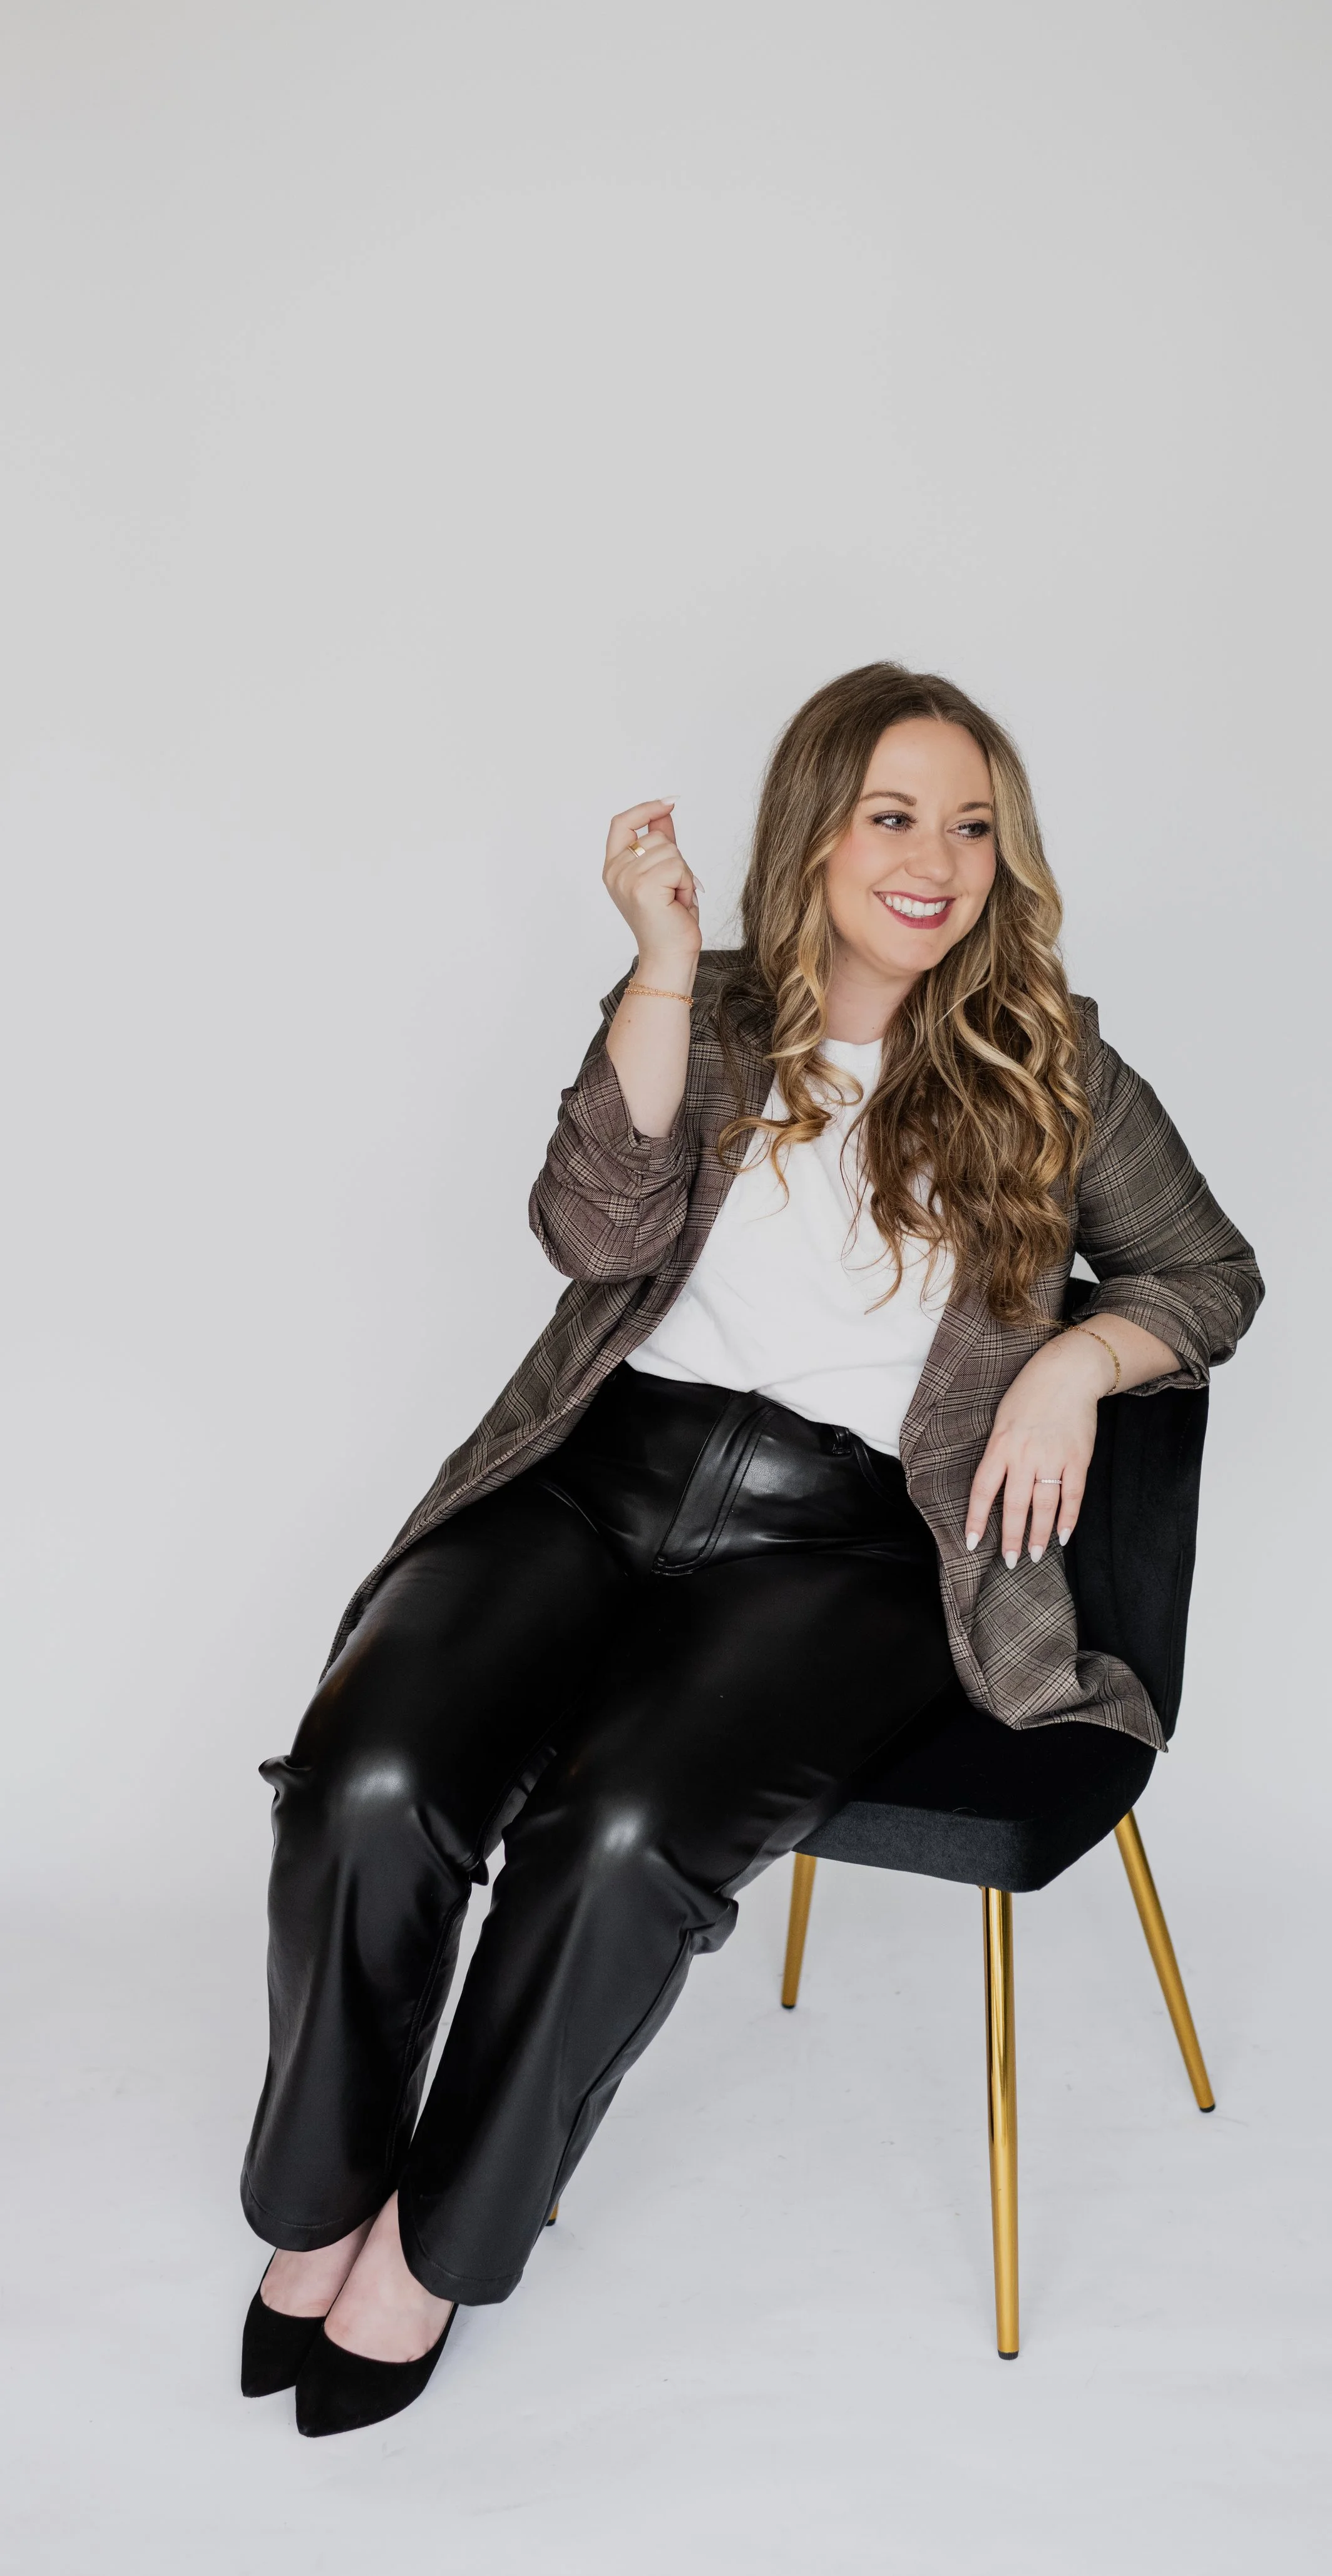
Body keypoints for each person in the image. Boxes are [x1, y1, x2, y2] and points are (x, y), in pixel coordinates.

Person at [238, 662, 1263, 2436]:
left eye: (970, 825)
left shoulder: (1054, 1066)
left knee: (621, 1835)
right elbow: (591, 1231)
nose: (934, 859)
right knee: (371, 1773)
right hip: (591, 1485)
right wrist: (649, 964)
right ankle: (319, 2199)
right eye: (891, 815)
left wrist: (1080, 1363)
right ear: (812, 830)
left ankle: (432, 2250)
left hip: (844, 1549)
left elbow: (1211, 1276)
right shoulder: (704, 1014)